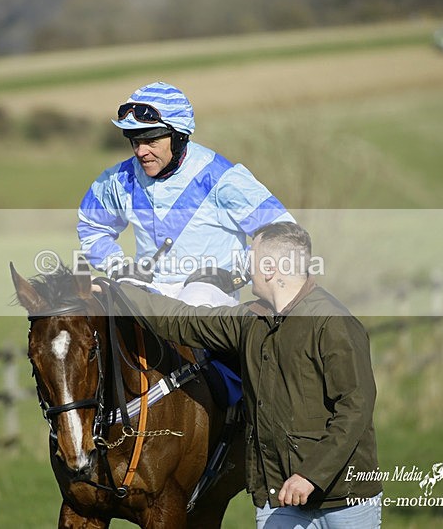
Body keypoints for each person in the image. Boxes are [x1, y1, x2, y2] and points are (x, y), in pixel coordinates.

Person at [113, 222, 383, 528]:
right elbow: (184, 321)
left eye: (251, 257)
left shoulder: (333, 323)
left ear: (269, 268)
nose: (245, 266)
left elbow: (355, 409)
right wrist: (120, 293)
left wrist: (310, 476)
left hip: (344, 499)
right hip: (279, 496)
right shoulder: (250, 320)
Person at [77, 81, 294, 307]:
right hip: (148, 293)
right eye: (135, 141)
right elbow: (92, 225)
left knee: (196, 298)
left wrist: (235, 276)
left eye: (151, 141)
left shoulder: (222, 177)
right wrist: (118, 267)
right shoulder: (117, 180)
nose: (141, 152)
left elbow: (282, 231)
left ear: (179, 136)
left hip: (209, 299)